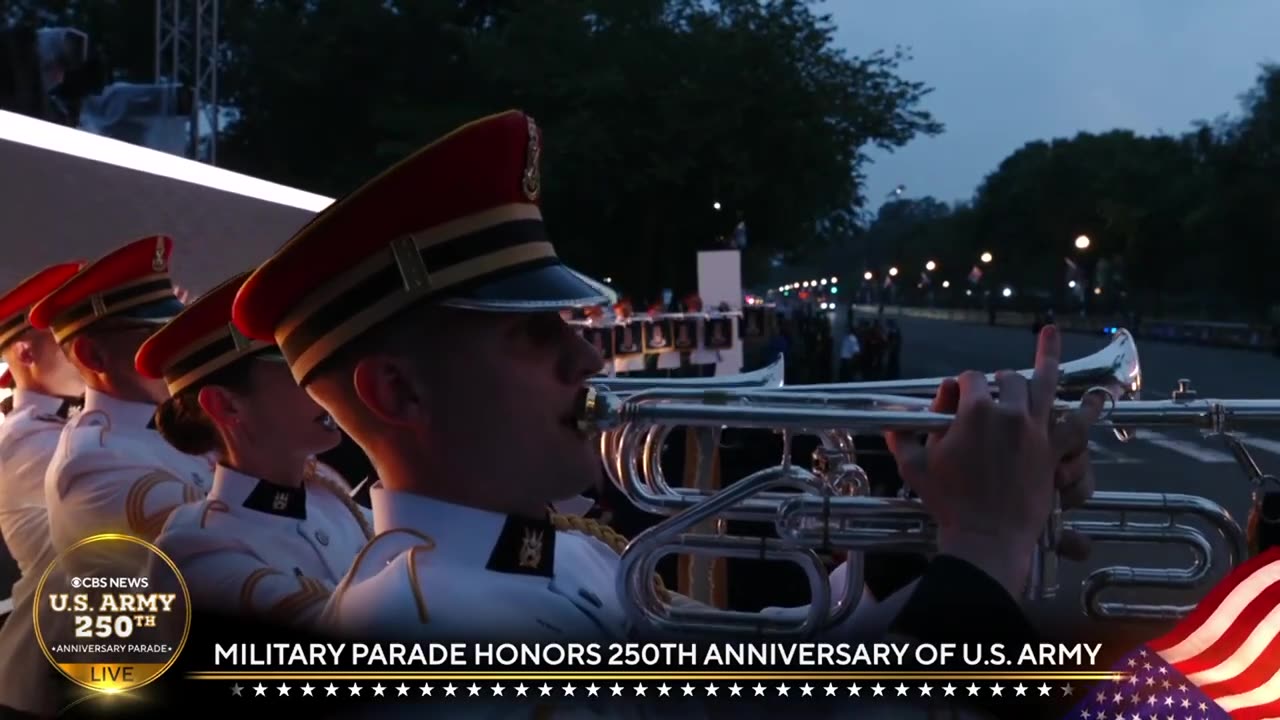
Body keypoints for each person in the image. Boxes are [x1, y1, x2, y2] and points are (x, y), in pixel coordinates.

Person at [231, 110, 1095, 662]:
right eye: (536, 336)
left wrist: (933, 537)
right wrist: (986, 549)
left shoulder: (569, 549)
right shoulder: (421, 625)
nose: (590, 361)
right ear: (398, 393)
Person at [135, 271, 372, 627]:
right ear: (225, 406)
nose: (320, 382)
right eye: (296, 369)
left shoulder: (328, 493)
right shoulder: (195, 550)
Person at [28, 235, 213, 577]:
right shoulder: (96, 463)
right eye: (155, 337)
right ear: (92, 355)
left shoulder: (180, 419)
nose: (176, 349)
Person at [0, 261, 87, 717]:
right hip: (47, 680)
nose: (87, 346)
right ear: (27, 354)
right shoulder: (27, 440)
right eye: (70, 338)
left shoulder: (78, 426)